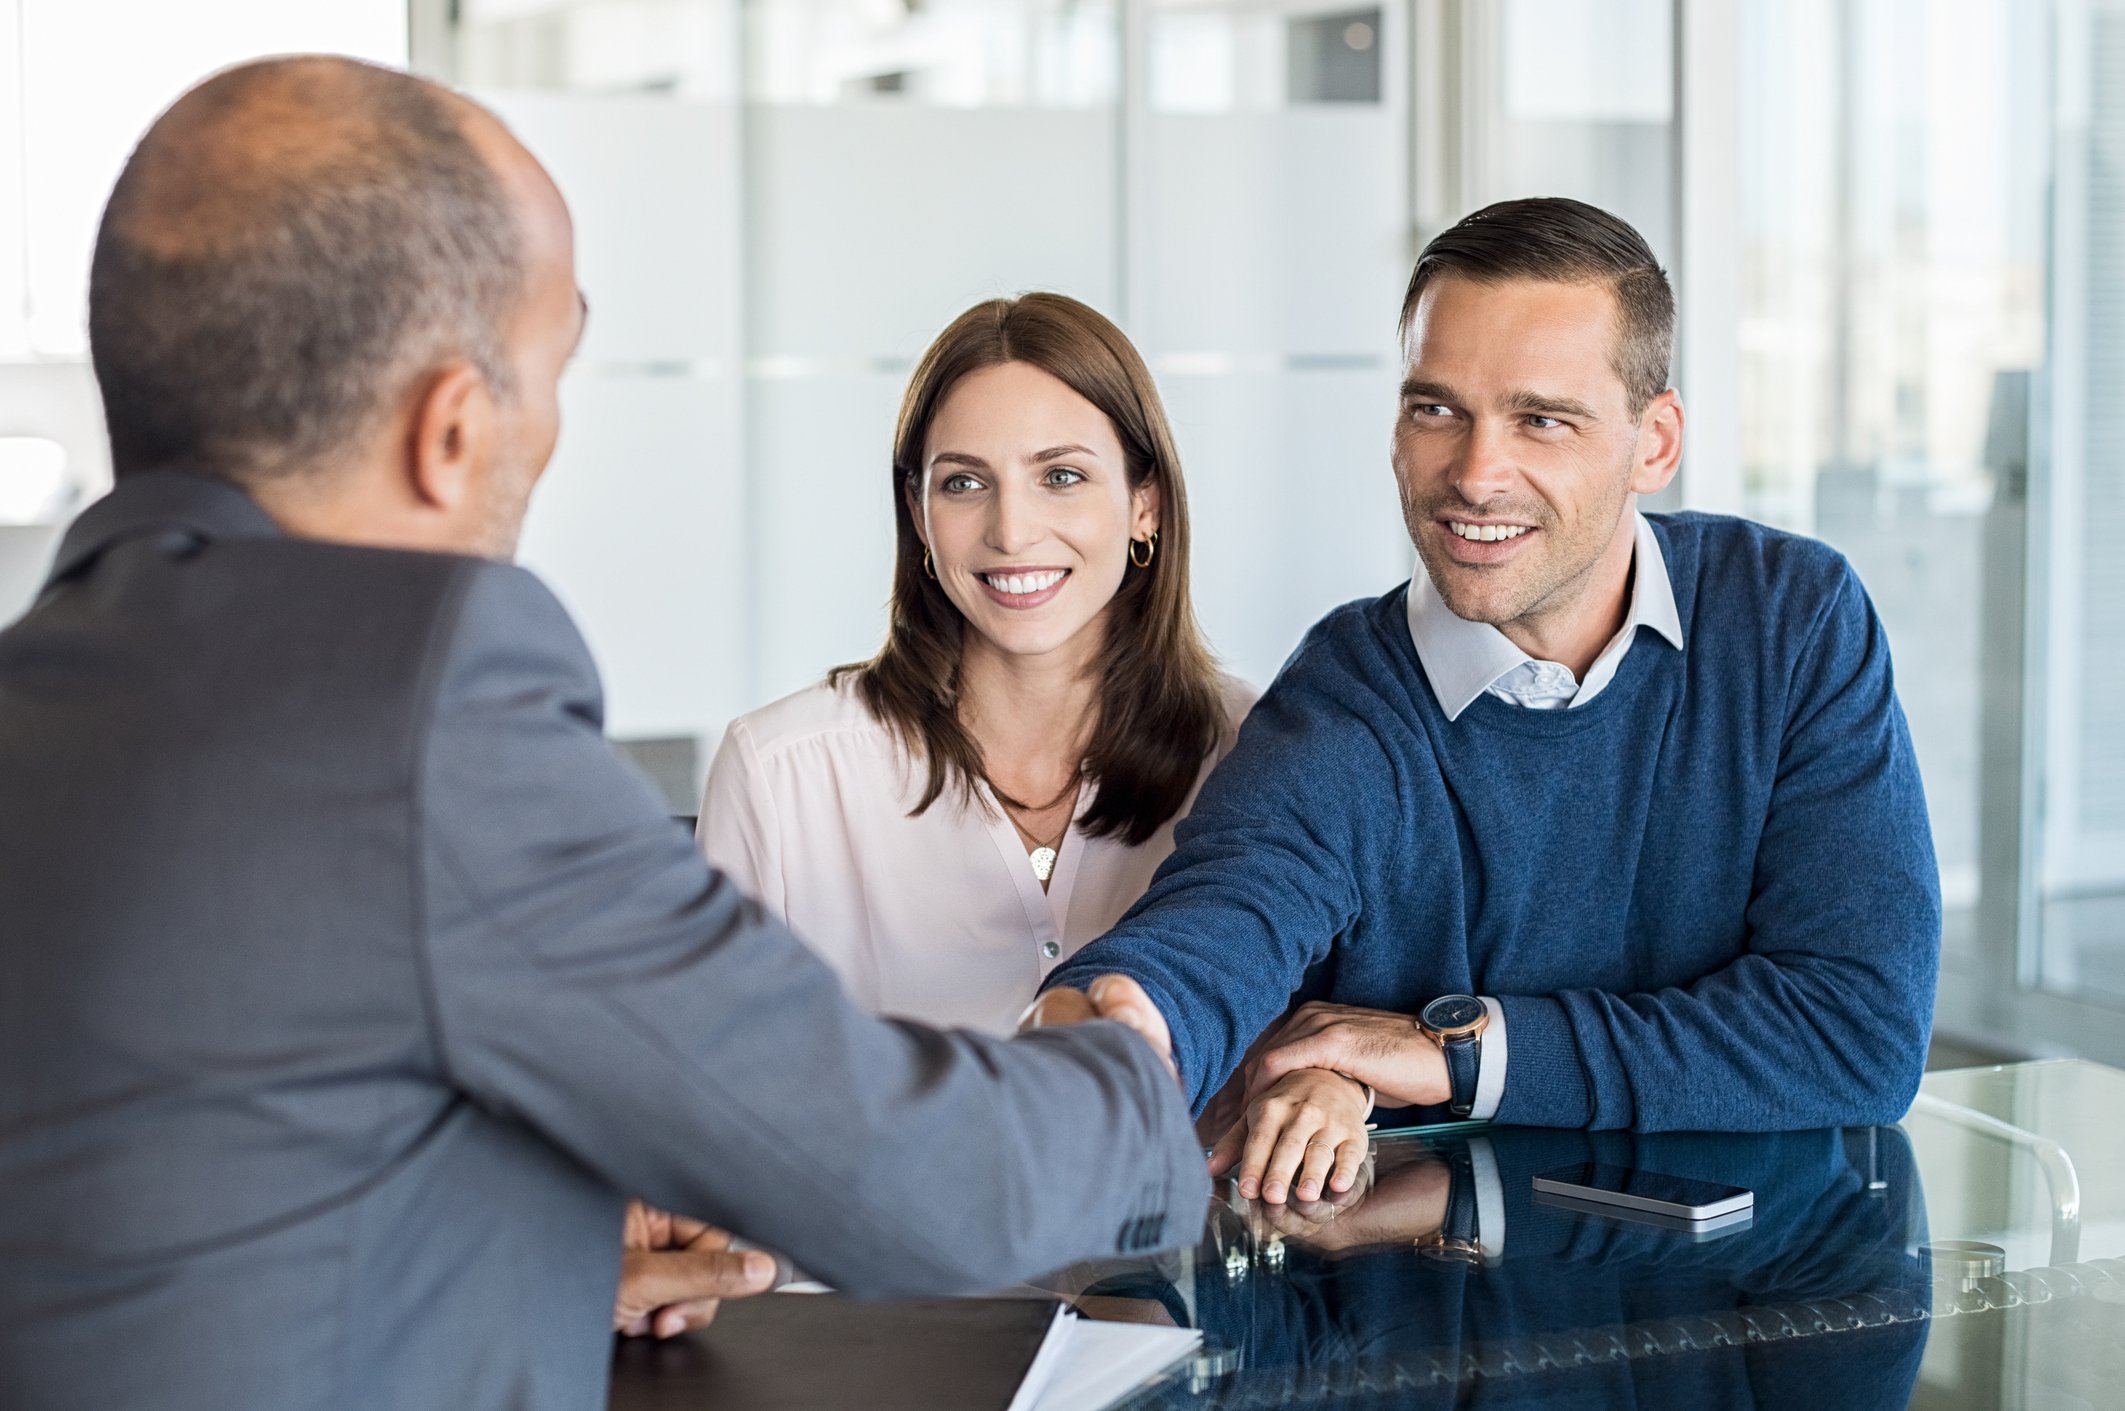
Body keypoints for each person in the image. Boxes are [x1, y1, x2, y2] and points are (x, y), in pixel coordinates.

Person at [0, 57, 1202, 1411]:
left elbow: (225, 1201)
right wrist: (1141, 1058)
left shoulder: (45, 693)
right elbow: (916, 1177)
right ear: (452, 429)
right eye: (550, 369)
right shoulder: (415, 705)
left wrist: (558, 1259)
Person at [1042, 197, 1942, 1207]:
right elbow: (1228, 913)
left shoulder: (1789, 621)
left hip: (1752, 1311)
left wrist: (1458, 1053)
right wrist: (1125, 1022)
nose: (1475, 473)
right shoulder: (1347, 699)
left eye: (1540, 420)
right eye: (1437, 410)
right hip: (1448, 1322)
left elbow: (1853, 1032)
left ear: (1654, 442)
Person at [697, 293, 1254, 1038]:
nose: (1012, 531)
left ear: (1144, 503)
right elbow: (718, 1101)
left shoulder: (1253, 749)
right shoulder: (780, 774)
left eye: (1060, 476)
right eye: (963, 482)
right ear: (920, 516)